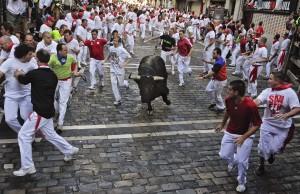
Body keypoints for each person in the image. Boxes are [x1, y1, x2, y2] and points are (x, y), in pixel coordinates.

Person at [13, 49, 79, 177]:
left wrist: (18, 74)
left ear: (37, 60)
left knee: (23, 135)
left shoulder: (35, 73)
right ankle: (69, 150)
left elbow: (23, 80)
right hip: (48, 110)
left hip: (40, 112)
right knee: (50, 135)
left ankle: (28, 166)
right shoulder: (52, 75)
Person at [216, 80, 262, 193]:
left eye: (230, 89)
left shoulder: (250, 105)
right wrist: (222, 124)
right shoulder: (228, 100)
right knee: (223, 155)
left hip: (245, 136)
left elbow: (257, 125)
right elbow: (227, 111)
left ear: (236, 92)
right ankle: (233, 160)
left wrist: (243, 137)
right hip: (230, 132)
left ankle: (242, 182)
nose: (227, 91)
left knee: (242, 162)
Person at [255, 72, 300, 176]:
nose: (268, 80)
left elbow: (297, 108)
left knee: (274, 148)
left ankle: (271, 154)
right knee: (262, 147)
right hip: (267, 123)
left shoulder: (290, 93)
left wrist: (287, 115)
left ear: (278, 81)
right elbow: (258, 100)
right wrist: (251, 103)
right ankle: (261, 166)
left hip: (282, 127)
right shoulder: (268, 91)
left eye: (270, 79)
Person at [0, 44, 37, 132]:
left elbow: (37, 75)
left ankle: (27, 136)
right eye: (30, 54)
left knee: (26, 117)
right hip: (11, 96)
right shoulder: (10, 62)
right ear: (24, 56)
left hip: (26, 95)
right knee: (9, 119)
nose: (32, 56)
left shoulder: (32, 63)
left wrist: (23, 75)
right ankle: (24, 134)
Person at [48, 43, 81, 132]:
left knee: (63, 102)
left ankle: (60, 124)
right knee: (54, 99)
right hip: (55, 81)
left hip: (66, 81)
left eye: (67, 49)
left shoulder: (70, 57)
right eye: (65, 50)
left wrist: (75, 71)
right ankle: (55, 113)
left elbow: (75, 63)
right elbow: (48, 67)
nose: (67, 51)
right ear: (59, 51)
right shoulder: (53, 58)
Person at [200, 47, 227, 113]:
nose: (212, 55)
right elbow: (214, 63)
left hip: (220, 81)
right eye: (213, 53)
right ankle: (214, 102)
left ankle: (221, 107)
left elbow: (212, 72)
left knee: (217, 95)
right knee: (208, 90)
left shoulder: (219, 62)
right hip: (216, 79)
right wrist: (207, 62)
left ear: (218, 54)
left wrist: (204, 77)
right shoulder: (219, 59)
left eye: (214, 53)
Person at [105, 38, 131, 106]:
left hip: (120, 69)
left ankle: (126, 83)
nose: (114, 42)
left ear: (119, 42)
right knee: (113, 84)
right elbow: (109, 54)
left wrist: (124, 64)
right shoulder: (111, 48)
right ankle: (118, 99)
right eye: (113, 40)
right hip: (112, 69)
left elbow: (129, 57)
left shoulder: (121, 49)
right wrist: (105, 60)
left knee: (121, 84)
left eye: (116, 41)